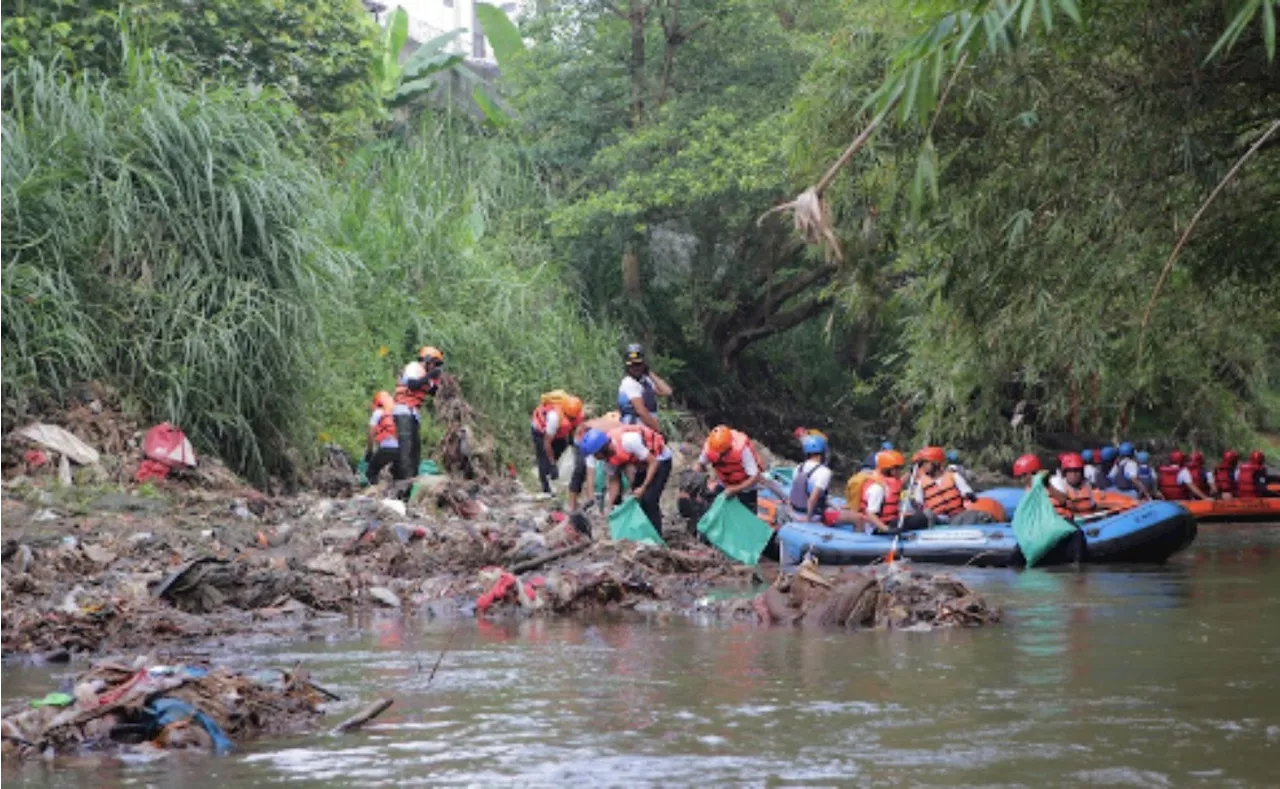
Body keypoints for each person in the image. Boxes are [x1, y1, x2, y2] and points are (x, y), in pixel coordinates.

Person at [580, 424, 673, 535]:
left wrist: (643, 487)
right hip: (642, 465)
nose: (595, 458)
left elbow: (653, 462)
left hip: (660, 459)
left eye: (595, 454)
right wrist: (610, 506)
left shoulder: (628, 441)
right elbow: (614, 481)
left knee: (649, 500)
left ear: (602, 448)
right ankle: (642, 532)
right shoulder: (608, 458)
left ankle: (656, 537)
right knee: (636, 499)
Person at [392, 346, 445, 479]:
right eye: (434, 363)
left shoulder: (426, 375)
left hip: (413, 414)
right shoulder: (414, 367)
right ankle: (402, 481)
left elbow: (433, 392)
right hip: (403, 411)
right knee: (405, 449)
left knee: (415, 451)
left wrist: (440, 382)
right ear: (427, 360)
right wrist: (429, 376)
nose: (434, 367)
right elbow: (413, 385)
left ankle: (411, 480)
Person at [698, 425, 764, 513]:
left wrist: (735, 489)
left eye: (721, 454)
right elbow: (700, 465)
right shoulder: (711, 447)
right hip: (725, 482)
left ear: (728, 448)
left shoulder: (742, 450)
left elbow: (755, 477)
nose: (718, 456)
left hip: (746, 485)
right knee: (713, 504)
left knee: (746, 513)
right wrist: (698, 482)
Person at [530, 393, 584, 494]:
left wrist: (573, 442)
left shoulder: (577, 413)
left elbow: (574, 426)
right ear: (566, 412)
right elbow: (547, 443)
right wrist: (552, 464)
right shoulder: (554, 417)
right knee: (544, 457)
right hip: (540, 430)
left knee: (561, 447)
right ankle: (546, 488)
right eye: (570, 418)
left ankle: (556, 477)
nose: (573, 419)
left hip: (556, 432)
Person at [909, 446, 977, 523]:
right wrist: (914, 503)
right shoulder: (921, 483)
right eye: (922, 463)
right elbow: (918, 502)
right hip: (937, 519)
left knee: (975, 514)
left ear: (936, 463)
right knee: (926, 514)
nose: (923, 466)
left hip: (957, 516)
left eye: (926, 463)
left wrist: (969, 495)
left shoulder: (953, 476)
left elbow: (966, 491)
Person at [617, 343, 672, 434]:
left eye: (638, 364)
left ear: (643, 364)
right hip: (635, 430)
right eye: (632, 365)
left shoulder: (646, 381)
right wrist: (658, 430)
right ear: (627, 366)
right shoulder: (629, 383)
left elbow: (667, 391)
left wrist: (649, 373)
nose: (635, 368)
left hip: (648, 428)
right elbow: (641, 411)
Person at [861, 450, 920, 533]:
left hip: (887, 522)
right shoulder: (877, 488)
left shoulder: (887, 483)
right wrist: (887, 529)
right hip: (876, 527)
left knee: (916, 516)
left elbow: (899, 484)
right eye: (898, 468)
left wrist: (911, 472)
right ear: (890, 470)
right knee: (920, 519)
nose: (900, 471)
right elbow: (870, 514)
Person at [789, 433, 833, 523]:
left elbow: (794, 490)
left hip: (794, 511)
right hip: (813, 515)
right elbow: (813, 499)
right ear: (822, 452)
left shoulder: (798, 467)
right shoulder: (824, 471)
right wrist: (808, 519)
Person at [1049, 453, 1101, 520]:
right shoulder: (1059, 486)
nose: (1074, 474)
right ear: (1065, 473)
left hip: (1089, 520)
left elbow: (1094, 505)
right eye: (1070, 471)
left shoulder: (1087, 485)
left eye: (1077, 471)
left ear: (1082, 472)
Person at [365, 392, 401, 484]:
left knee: (371, 472)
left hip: (386, 448)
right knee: (397, 474)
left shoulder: (378, 412)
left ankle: (374, 492)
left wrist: (369, 451)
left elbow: (370, 433)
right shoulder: (397, 412)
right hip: (401, 449)